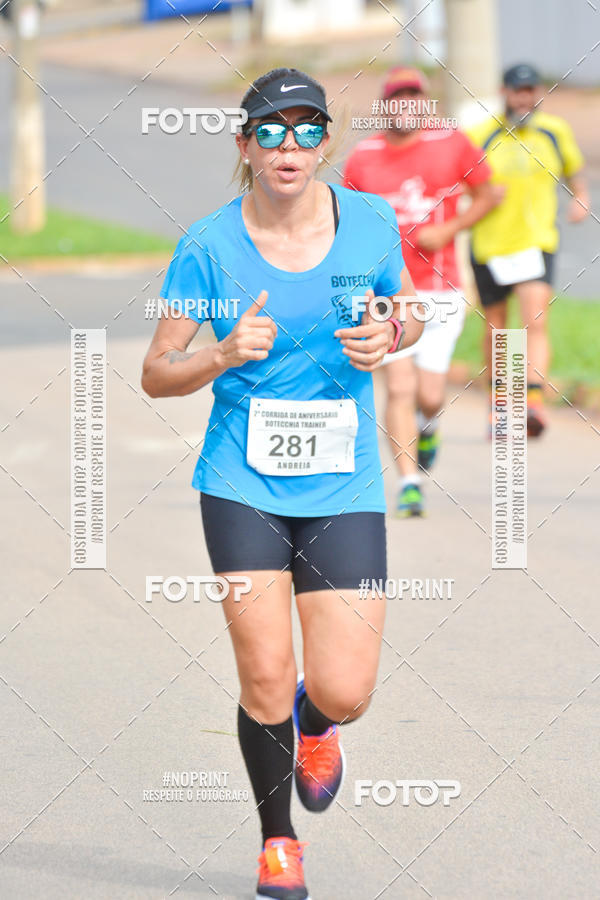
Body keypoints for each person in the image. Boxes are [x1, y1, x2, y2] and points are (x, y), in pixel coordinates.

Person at [141, 68, 422, 900]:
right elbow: (158, 372)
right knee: (262, 671)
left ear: (326, 141)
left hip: (343, 483)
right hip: (241, 483)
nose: (288, 145)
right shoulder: (207, 246)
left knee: (346, 688)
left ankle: (317, 722)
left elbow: (405, 308)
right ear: (245, 146)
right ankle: (277, 842)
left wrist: (391, 332)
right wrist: (221, 355)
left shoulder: (370, 222)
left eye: (306, 129)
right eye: (270, 130)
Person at [344, 67, 499, 517]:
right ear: (385, 106)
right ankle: (409, 483)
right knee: (399, 386)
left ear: (425, 103)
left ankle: (428, 426)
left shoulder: (450, 142)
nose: (406, 106)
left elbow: (490, 195)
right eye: (397, 98)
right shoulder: (363, 156)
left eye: (415, 97)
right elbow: (347, 224)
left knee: (429, 395)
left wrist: (450, 228)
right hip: (387, 293)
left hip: (440, 286)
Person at [468, 63, 589, 437]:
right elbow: (458, 184)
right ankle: (500, 405)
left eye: (530, 90)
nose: (524, 98)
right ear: (504, 92)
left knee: (535, 322)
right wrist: (483, 195)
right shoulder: (481, 135)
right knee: (497, 331)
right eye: (517, 91)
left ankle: (533, 402)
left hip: (536, 241)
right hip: (490, 244)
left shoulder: (554, 132)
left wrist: (580, 199)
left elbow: (574, 173)